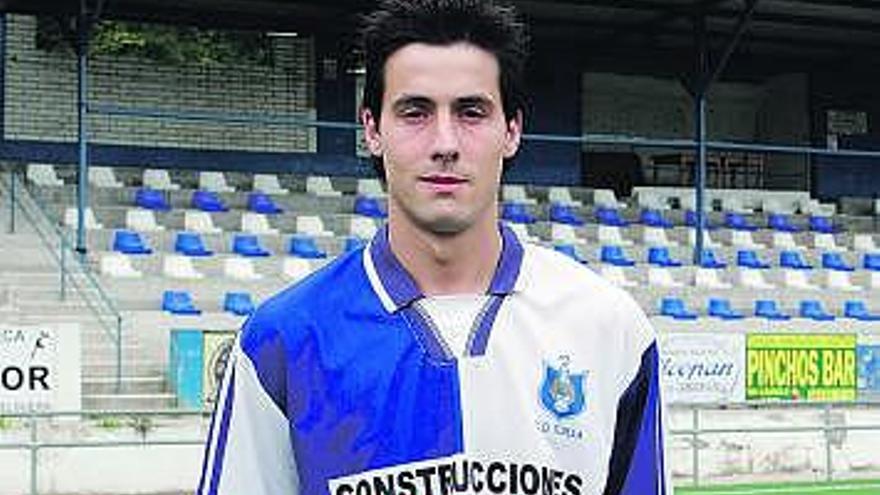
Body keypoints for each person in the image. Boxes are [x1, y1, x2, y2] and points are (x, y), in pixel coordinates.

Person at [197, 1, 669, 494]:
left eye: (471, 112)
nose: (445, 141)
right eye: (415, 112)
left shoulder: (609, 329)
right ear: (373, 130)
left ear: (512, 131)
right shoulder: (282, 342)